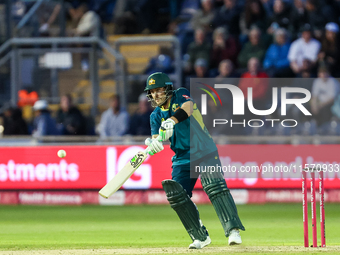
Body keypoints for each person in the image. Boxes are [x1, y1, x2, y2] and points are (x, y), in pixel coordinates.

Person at [143, 72, 245, 249]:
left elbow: (188, 108)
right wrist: (153, 143)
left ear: (167, 89)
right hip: (182, 157)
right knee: (177, 195)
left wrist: (172, 121)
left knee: (214, 187)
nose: (155, 95)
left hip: (204, 150)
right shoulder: (155, 116)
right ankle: (200, 236)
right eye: (152, 92)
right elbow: (156, 137)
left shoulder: (180, 94)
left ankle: (233, 231)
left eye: (159, 90)